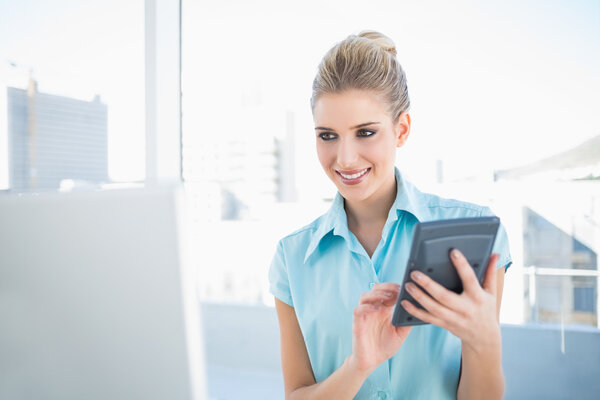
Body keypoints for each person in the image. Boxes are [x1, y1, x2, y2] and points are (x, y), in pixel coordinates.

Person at [268, 30, 512, 400]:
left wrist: (485, 344)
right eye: (328, 136)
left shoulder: (471, 235)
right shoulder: (292, 257)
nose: (346, 158)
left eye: (365, 132)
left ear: (402, 130)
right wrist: (359, 366)